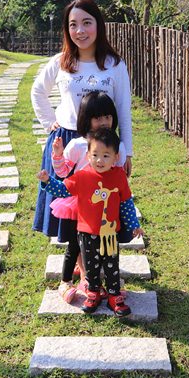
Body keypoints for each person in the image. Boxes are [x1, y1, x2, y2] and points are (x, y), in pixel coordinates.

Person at [31, 0, 133, 246]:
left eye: (86, 23)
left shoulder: (114, 65)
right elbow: (37, 91)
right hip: (68, 143)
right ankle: (81, 266)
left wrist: (127, 151)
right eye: (73, 24)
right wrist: (49, 123)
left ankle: (91, 265)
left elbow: (123, 108)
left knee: (98, 206)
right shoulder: (61, 61)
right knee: (71, 207)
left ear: (98, 25)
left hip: (101, 147)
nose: (80, 30)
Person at [38, 127, 142, 316]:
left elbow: (126, 202)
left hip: (110, 233)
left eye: (105, 155)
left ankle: (113, 296)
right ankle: (93, 292)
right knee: (91, 266)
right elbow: (62, 190)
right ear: (87, 155)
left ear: (115, 156)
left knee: (112, 264)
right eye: (95, 155)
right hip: (86, 233)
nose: (99, 160)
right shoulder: (82, 176)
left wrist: (134, 225)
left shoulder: (118, 176)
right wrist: (47, 181)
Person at [48, 91, 129, 303]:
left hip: (104, 205)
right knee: (76, 242)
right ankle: (68, 281)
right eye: (98, 117)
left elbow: (116, 175)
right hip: (79, 202)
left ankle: (104, 282)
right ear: (86, 118)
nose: (104, 122)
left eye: (108, 116)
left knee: (105, 245)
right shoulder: (77, 145)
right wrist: (58, 155)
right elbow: (64, 172)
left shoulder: (116, 145)